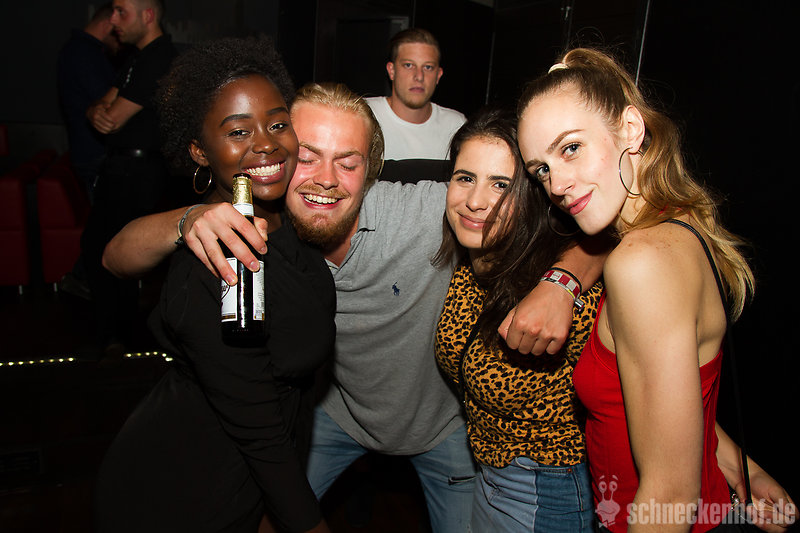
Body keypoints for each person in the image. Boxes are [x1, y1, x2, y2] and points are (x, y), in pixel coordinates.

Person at [102, 82, 603, 533]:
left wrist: (563, 281)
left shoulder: (442, 209)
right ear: (278, 157)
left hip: (442, 427)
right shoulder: (251, 237)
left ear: (371, 173)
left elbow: (590, 219)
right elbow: (115, 258)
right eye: (307, 157)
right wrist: (189, 217)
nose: (325, 179)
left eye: (347, 162)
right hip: (333, 416)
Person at [516, 47, 796, 532]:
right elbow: (675, 397)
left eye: (571, 148)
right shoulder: (679, 226)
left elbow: (669, 495)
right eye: (541, 169)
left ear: (630, 129)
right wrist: (741, 468)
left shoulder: (641, 261)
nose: (556, 184)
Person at [93, 36, 335, 533]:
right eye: (238, 131)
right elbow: (259, 429)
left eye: (277, 123)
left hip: (253, 475)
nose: (265, 143)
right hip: (187, 491)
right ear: (200, 152)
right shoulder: (219, 262)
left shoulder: (292, 222)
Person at [434, 106, 603, 532]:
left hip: (549, 489)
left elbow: (640, 388)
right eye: (465, 178)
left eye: (500, 185)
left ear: (531, 197)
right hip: (486, 476)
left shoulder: (563, 294)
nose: (475, 201)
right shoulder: (472, 266)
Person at [80, 0, 178, 355]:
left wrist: (99, 111)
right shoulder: (136, 58)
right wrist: (95, 110)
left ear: (147, 15)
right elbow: (98, 107)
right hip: (123, 170)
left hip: (138, 173)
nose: (113, 20)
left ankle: (117, 338)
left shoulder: (159, 57)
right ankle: (115, 335)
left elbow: (112, 117)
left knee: (111, 251)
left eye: (121, 12)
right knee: (100, 249)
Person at [367, 28, 466, 183]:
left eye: (428, 67)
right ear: (391, 71)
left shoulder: (456, 125)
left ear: (438, 75)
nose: (419, 76)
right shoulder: (363, 114)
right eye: (408, 65)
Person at [56, 2, 118, 202]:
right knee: (106, 216)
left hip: (88, 149)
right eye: (118, 31)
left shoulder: (79, 50)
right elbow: (105, 101)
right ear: (108, 25)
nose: (120, 39)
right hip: (93, 152)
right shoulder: (84, 53)